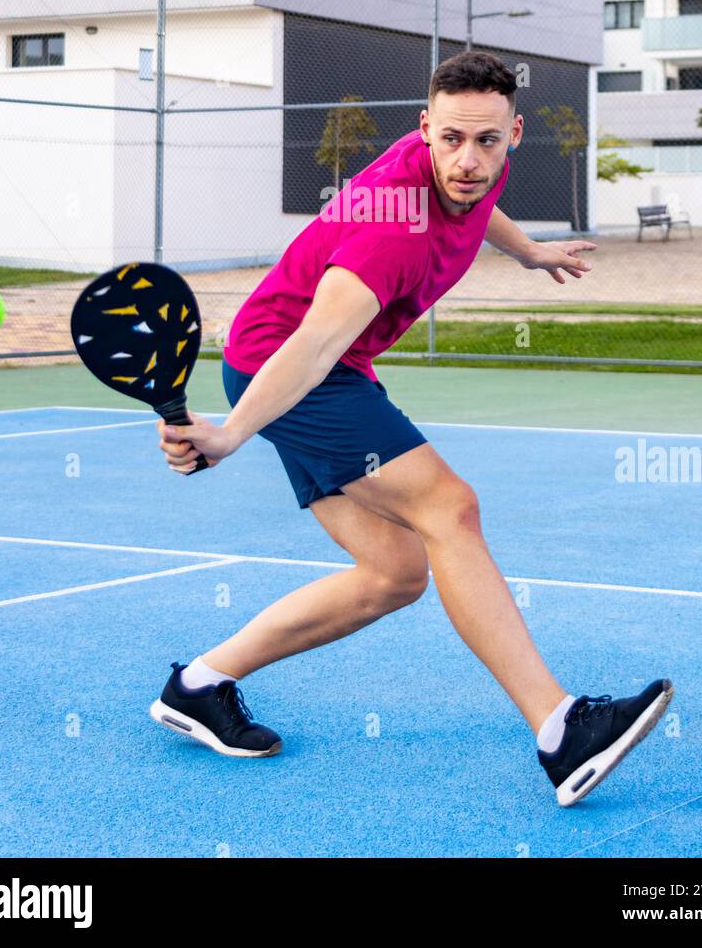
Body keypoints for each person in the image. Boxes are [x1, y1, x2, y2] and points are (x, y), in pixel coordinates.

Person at [150, 51, 673, 807]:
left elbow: (475, 200)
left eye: (487, 141)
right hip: (293, 369)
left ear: (513, 133)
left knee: (394, 575)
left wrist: (527, 252)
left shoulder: (462, 164)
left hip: (312, 367)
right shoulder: (390, 228)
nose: (467, 160)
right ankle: (562, 730)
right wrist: (230, 435)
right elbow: (314, 344)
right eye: (452, 140)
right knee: (449, 508)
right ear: (424, 128)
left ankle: (198, 686)